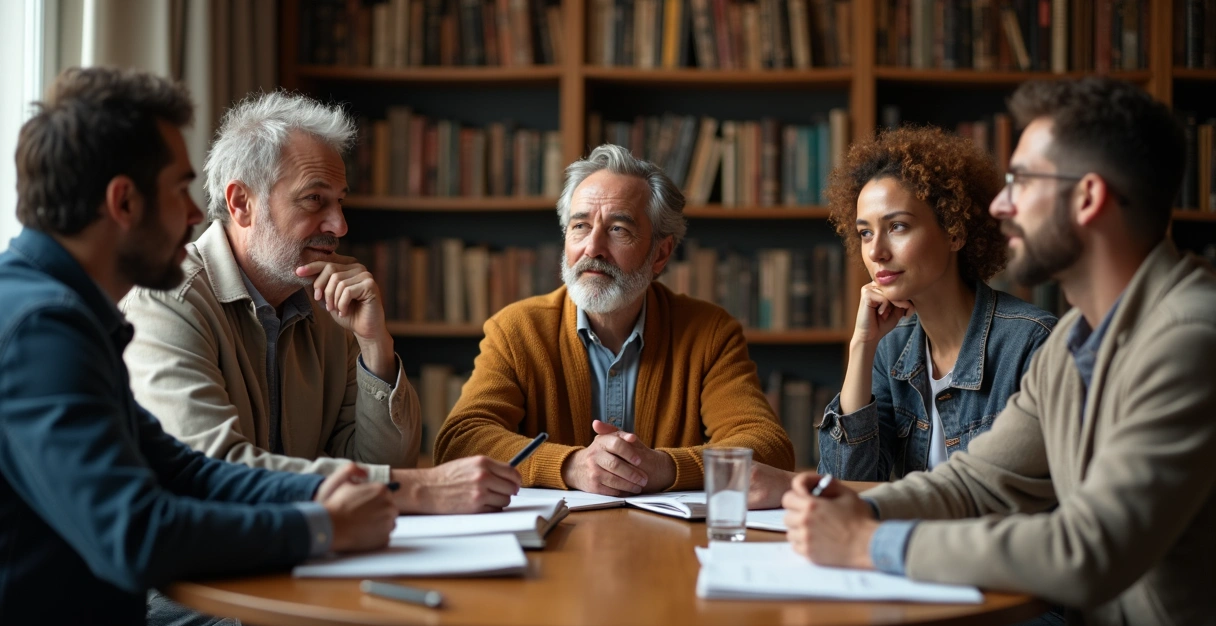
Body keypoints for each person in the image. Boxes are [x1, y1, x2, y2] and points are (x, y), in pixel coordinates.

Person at [783, 77, 1216, 626]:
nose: (1000, 204)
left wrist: (870, 543)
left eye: (1024, 181)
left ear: (1087, 198)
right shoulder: (1074, 342)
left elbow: (1088, 549)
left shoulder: (1188, 336)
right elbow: (977, 482)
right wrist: (857, 510)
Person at [0, 66, 396, 626]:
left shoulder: (64, 312)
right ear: (123, 201)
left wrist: (337, 494)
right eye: (179, 189)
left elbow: (185, 470)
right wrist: (321, 527)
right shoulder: (44, 328)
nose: (194, 214)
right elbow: (137, 534)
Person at [121, 91, 521, 517]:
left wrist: (375, 347)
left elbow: (382, 469)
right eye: (315, 199)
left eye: (340, 200)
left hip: (309, 555)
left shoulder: (328, 306)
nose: (340, 225)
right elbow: (211, 471)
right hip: (197, 576)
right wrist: (419, 489)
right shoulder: (166, 301)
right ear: (242, 203)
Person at [435, 144, 795, 498]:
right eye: (580, 226)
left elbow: (768, 447)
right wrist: (570, 465)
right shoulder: (516, 330)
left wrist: (664, 467)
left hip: (673, 545)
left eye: (618, 229)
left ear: (660, 253)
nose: (592, 248)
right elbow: (460, 440)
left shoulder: (710, 333)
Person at [817, 127, 1055, 480]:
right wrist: (862, 347)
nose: (876, 252)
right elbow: (847, 482)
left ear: (955, 231)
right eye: (865, 232)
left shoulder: (1032, 344)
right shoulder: (890, 349)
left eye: (897, 226)